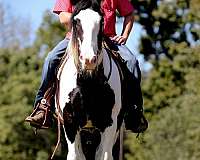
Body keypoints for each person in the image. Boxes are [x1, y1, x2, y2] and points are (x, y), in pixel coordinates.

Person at [25, 0, 141, 131]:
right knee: (51, 59)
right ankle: (43, 106)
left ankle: (134, 110)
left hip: (108, 38)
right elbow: (63, 17)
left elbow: (129, 14)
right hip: (76, 38)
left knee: (132, 61)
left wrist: (124, 35)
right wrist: (87, 20)